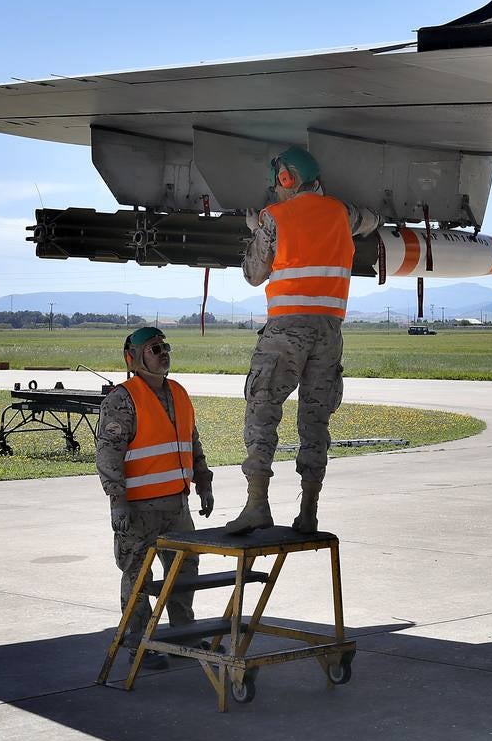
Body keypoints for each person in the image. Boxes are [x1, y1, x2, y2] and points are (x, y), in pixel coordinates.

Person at [226, 146, 380, 535]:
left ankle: (257, 505)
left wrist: (257, 229)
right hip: (329, 332)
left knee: (263, 407)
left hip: (286, 330)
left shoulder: (273, 217)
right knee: (315, 418)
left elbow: (253, 274)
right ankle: (308, 511)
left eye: (276, 184)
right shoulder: (343, 213)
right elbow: (371, 220)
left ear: (286, 179)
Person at [96, 326, 214, 668]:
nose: (163, 353)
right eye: (154, 348)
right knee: (138, 576)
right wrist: (117, 501)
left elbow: (192, 443)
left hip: (177, 505)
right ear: (133, 359)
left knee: (184, 570)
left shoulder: (178, 392)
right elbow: (108, 455)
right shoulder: (122, 399)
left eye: (165, 347)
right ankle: (139, 644)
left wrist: (203, 482)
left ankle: (184, 635)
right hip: (139, 509)